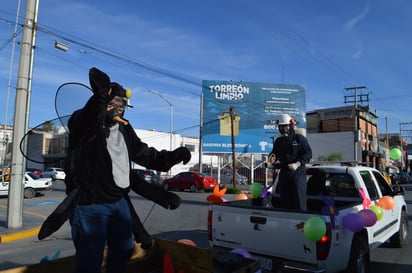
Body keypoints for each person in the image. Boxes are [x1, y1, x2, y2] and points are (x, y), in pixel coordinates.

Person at [46, 67, 191, 273]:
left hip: (117, 203)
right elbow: (87, 118)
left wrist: (174, 156)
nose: (117, 109)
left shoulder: (124, 128)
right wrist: (99, 98)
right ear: (104, 102)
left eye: (122, 105)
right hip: (89, 205)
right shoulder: (83, 123)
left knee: (124, 250)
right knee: (90, 259)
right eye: (113, 103)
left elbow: (145, 154)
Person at [269, 113, 312, 210]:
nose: (283, 128)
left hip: (298, 173)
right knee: (285, 202)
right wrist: (270, 161)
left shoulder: (299, 138)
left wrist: (298, 163)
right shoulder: (279, 141)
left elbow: (308, 154)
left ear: (290, 125)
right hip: (284, 173)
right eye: (281, 126)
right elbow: (274, 154)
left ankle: (300, 221)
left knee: (298, 201)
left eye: (285, 126)